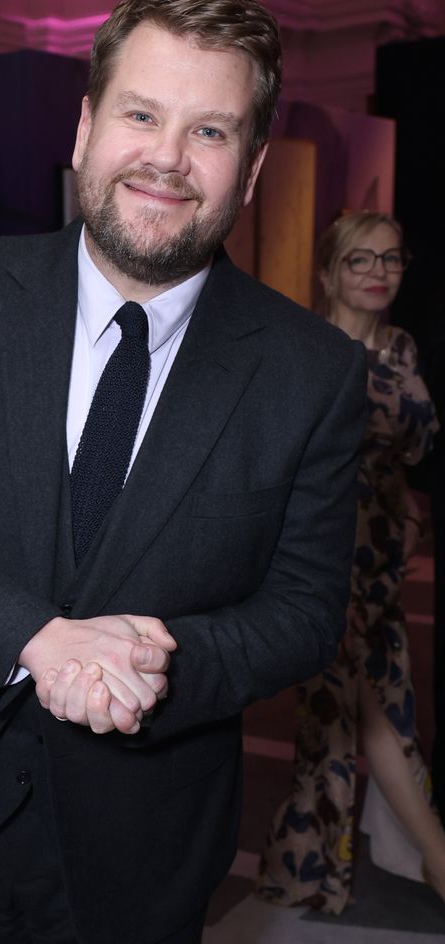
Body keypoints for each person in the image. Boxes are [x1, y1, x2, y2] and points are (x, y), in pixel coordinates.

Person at [0, 0, 366, 944]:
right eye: (140, 113)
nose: (165, 158)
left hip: (141, 838)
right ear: (82, 129)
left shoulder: (311, 373)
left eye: (209, 130)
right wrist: (39, 635)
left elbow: (301, 614)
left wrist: (158, 663)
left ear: (250, 164)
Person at [256, 210, 444, 914]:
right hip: (323, 554)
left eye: (389, 260)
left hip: (383, 561)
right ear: (328, 273)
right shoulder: (303, 349)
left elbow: (417, 451)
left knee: (366, 710)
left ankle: (307, 858)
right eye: (359, 260)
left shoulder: (399, 347)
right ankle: (435, 858)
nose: (376, 273)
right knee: (367, 709)